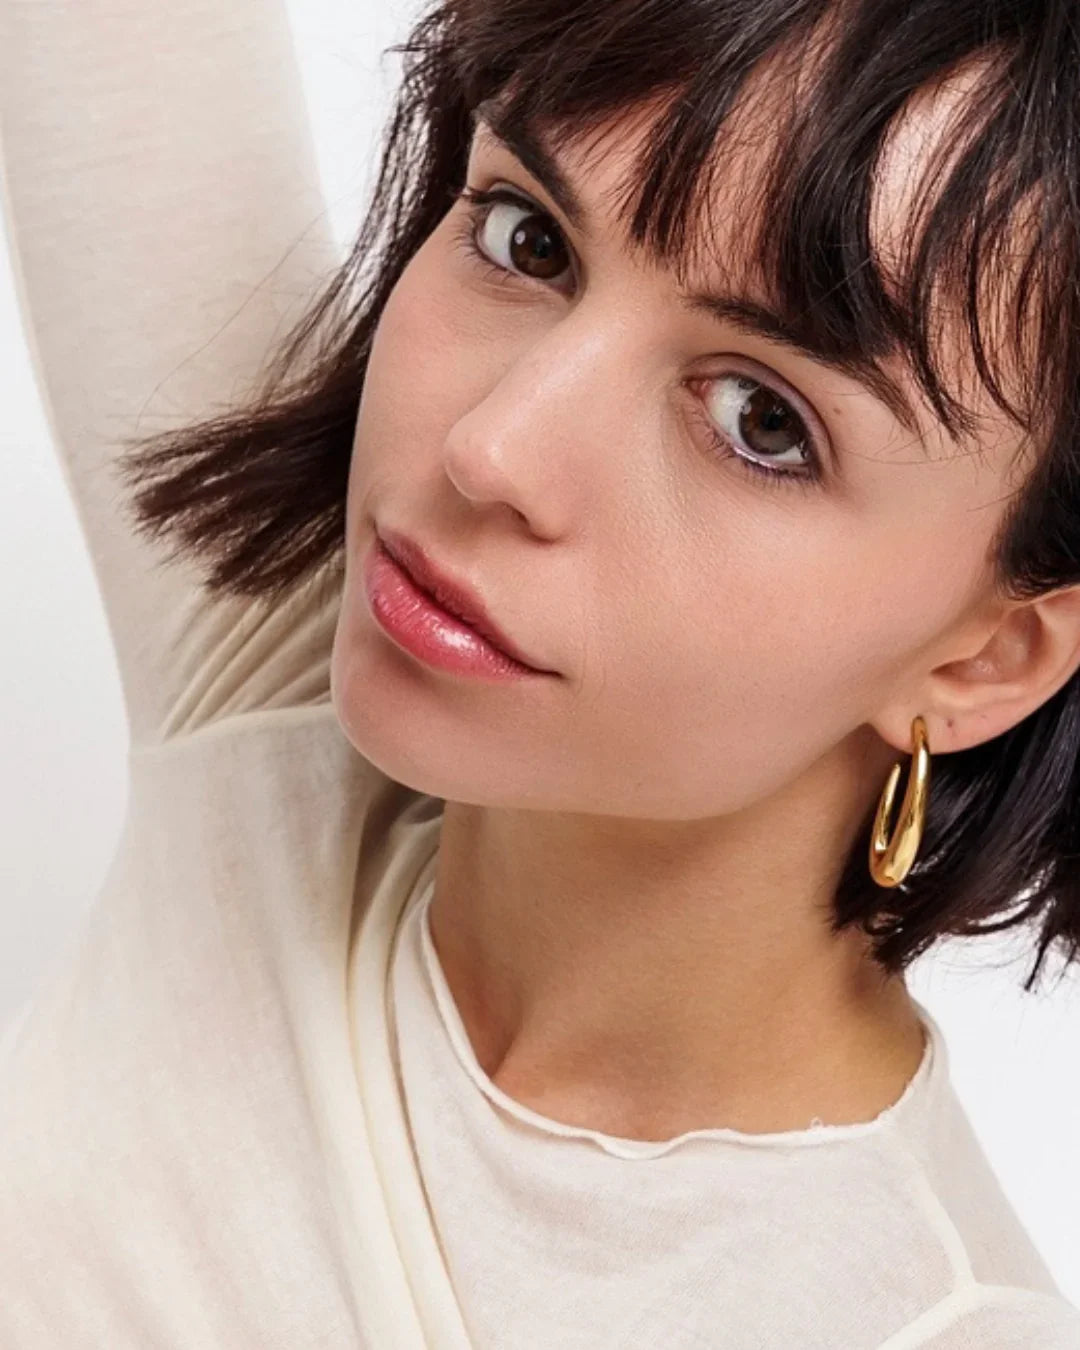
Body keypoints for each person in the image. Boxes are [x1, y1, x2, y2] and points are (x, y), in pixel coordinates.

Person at [1, 0, 1079, 1344]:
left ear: (987, 653)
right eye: (528, 238)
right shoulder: (263, 698)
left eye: (760, 420)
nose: (491, 449)